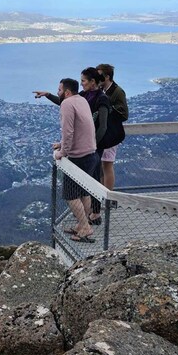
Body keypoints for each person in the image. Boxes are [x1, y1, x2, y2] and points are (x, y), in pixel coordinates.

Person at [34, 78, 100, 243]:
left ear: (67, 92)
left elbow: (68, 131)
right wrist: (63, 144)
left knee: (70, 195)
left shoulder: (67, 104)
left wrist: (62, 151)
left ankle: (85, 227)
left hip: (79, 157)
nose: (58, 93)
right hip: (91, 153)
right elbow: (82, 128)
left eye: (59, 90)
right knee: (84, 192)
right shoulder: (82, 100)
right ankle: (81, 224)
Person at [95, 63, 129, 192]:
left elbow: (124, 114)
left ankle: (108, 196)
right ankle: (101, 194)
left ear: (107, 76)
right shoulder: (102, 90)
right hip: (103, 132)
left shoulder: (117, 91)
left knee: (107, 165)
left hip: (111, 133)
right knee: (101, 166)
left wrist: (107, 109)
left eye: (100, 76)